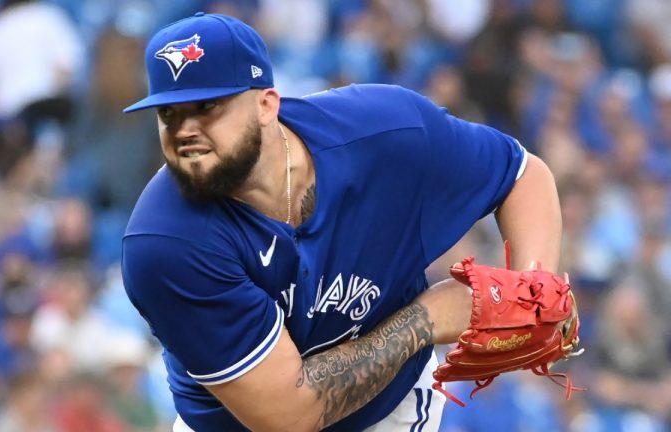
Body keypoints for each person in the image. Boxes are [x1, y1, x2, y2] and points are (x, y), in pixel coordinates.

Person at [121, 12, 563, 432]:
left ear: (266, 105)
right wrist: (426, 320)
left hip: (387, 410)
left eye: (207, 106)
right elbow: (288, 417)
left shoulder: (384, 133)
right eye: (169, 114)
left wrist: (533, 294)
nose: (184, 130)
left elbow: (522, 175)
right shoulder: (165, 241)